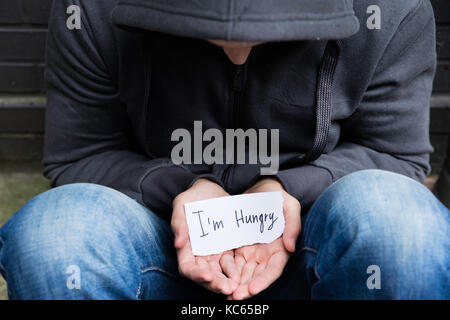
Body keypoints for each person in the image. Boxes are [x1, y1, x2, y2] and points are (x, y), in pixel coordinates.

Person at [0, 0, 449, 300]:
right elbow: (80, 155)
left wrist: (285, 188)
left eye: (270, 37)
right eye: (206, 35)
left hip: (312, 243)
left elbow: (394, 155)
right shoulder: (92, 9)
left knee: (402, 227)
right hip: (156, 241)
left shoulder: (389, 10)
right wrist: (186, 187)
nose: (238, 53)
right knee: (53, 235)